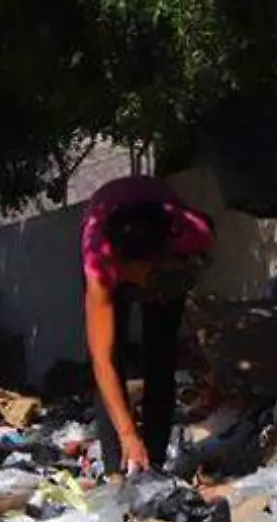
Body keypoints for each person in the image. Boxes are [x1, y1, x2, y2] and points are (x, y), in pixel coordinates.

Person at [80, 175, 214, 476]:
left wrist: (173, 280)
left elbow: (204, 258)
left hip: (167, 267)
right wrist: (128, 434)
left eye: (136, 276)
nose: (132, 284)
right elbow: (102, 361)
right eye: (126, 277)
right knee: (110, 358)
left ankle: (152, 465)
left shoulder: (192, 236)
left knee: (161, 356)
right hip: (108, 228)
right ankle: (118, 470)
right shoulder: (100, 262)